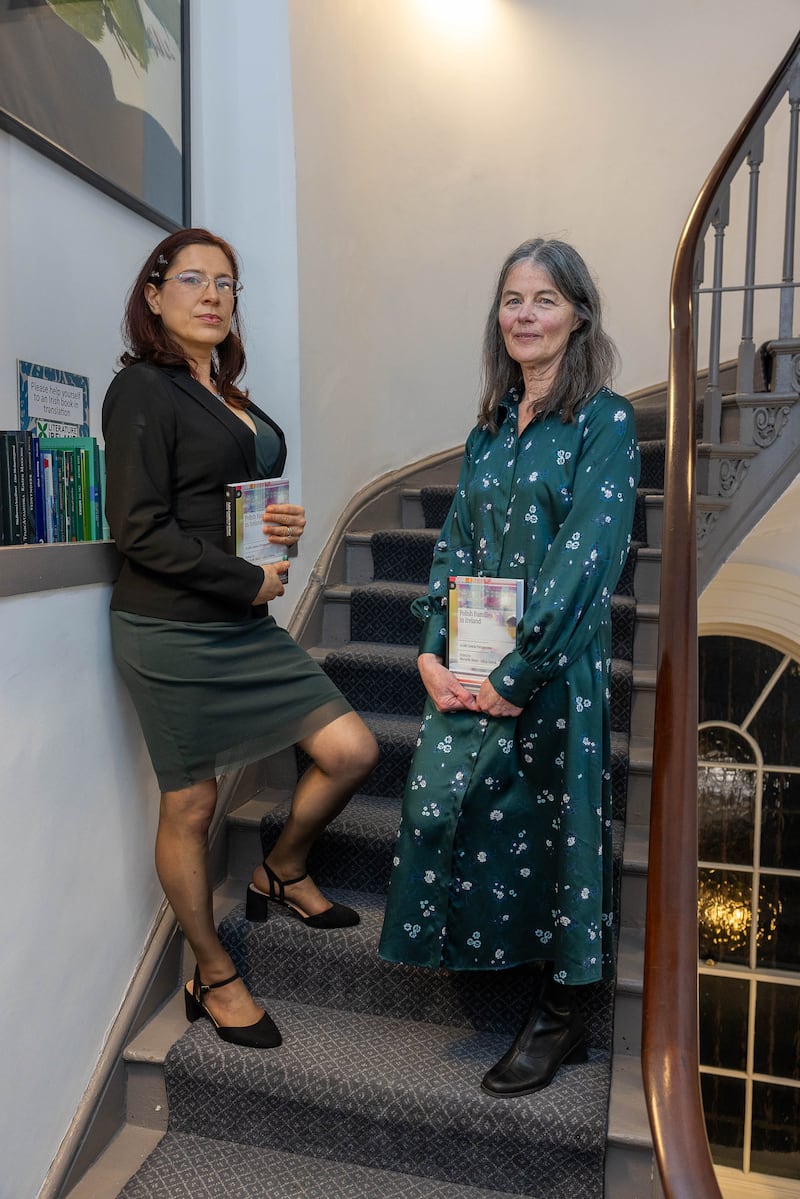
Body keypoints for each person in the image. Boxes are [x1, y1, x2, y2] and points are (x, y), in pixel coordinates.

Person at [103, 228, 379, 1049]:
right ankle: (214, 971)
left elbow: (221, 507)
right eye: (192, 278)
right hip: (170, 628)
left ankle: (281, 867)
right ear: (154, 295)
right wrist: (244, 578)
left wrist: (274, 532)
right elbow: (138, 529)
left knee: (354, 749)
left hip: (241, 621)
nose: (214, 294)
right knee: (188, 804)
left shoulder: (226, 393)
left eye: (227, 282)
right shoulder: (143, 392)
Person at [378, 238, 640, 1096]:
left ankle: (563, 1010)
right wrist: (427, 646)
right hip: (472, 654)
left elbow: (586, 557)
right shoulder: (488, 428)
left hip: (557, 668)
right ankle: (487, 951)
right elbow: (457, 546)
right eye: (513, 300)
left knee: (559, 829)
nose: (525, 315)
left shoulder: (605, 421)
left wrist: (519, 675)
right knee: (436, 802)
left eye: (545, 300)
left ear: (578, 316)